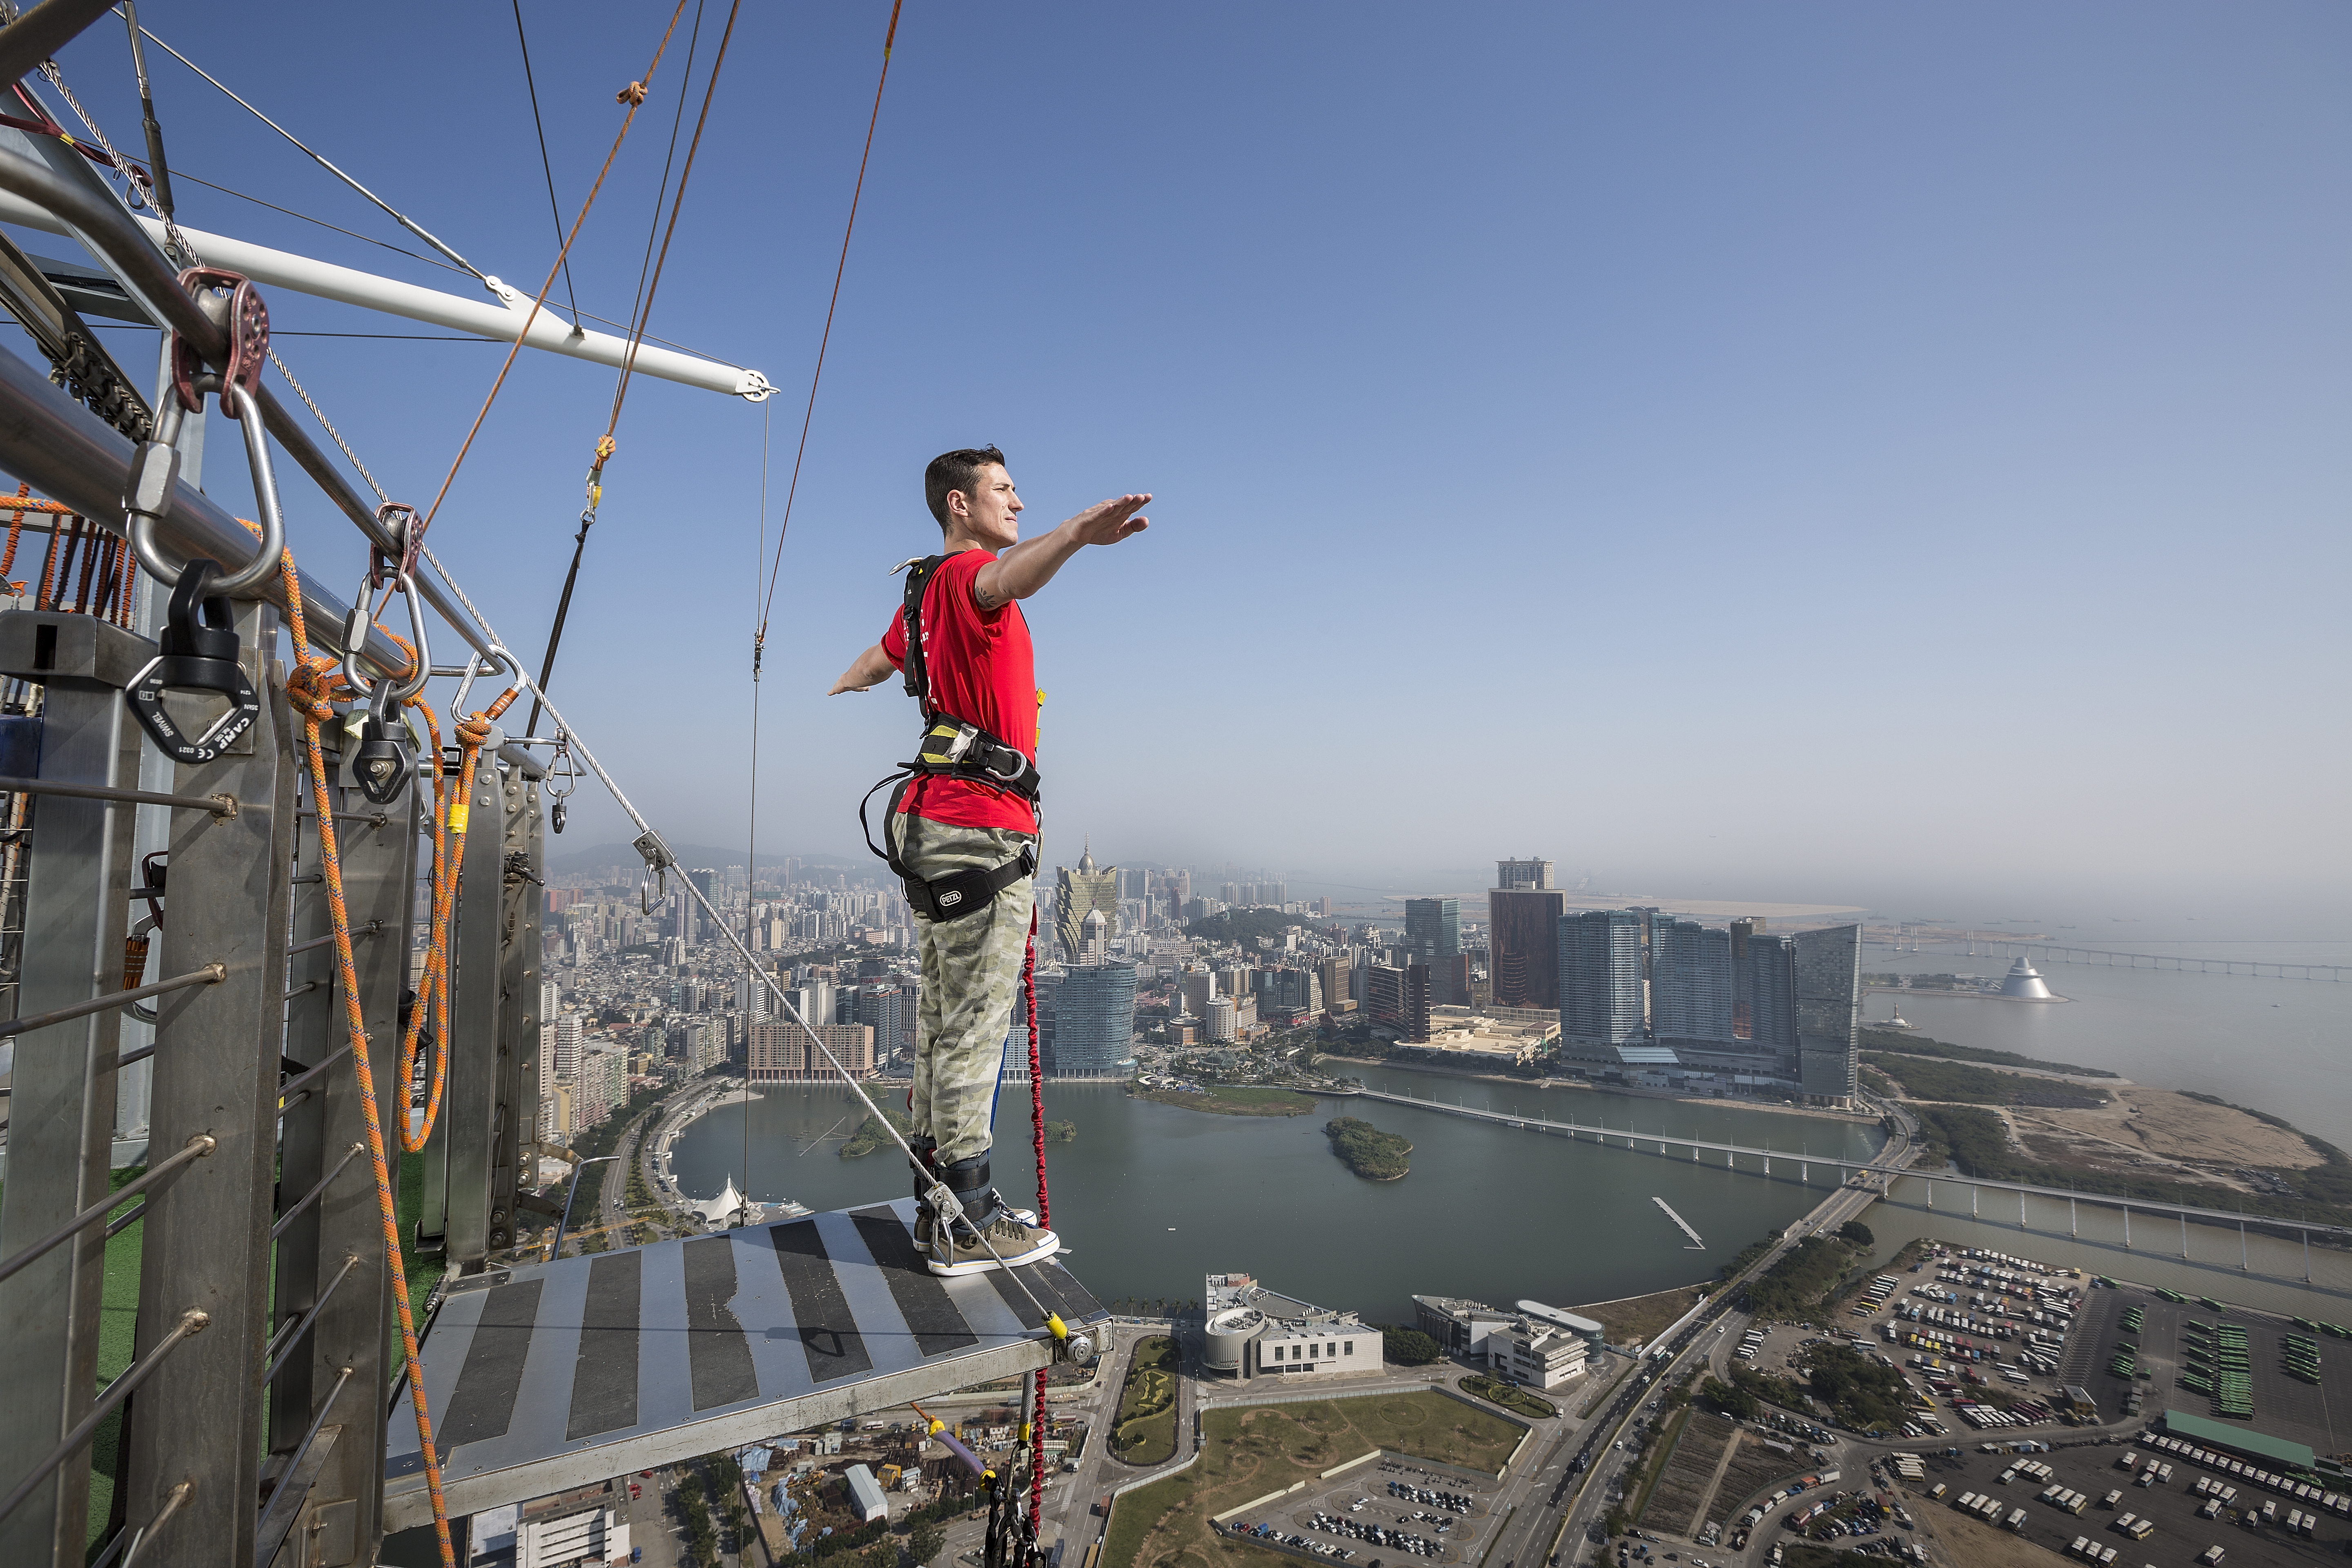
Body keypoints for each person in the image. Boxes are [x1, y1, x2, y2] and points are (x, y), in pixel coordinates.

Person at [829, 445, 1149, 1275]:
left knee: (942, 1019)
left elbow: (877, 662)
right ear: (960, 505)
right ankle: (966, 1219)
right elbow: (1006, 580)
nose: (1016, 499)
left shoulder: (918, 596)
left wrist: (839, 688)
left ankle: (936, 1197)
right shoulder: (968, 581)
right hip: (981, 825)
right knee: (976, 1026)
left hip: (932, 822)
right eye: (1003, 490)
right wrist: (1077, 532)